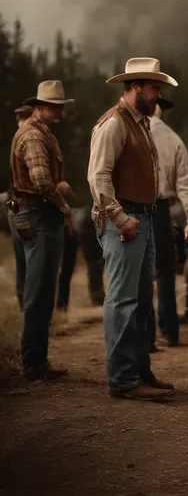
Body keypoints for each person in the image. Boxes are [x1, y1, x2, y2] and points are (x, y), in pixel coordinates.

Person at [88, 57, 177, 402]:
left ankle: (139, 371)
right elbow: (98, 177)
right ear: (136, 85)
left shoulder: (140, 122)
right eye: (155, 87)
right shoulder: (114, 123)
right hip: (125, 220)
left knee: (140, 301)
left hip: (142, 217)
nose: (158, 94)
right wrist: (120, 218)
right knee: (123, 300)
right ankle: (124, 379)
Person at [9, 81, 73, 380]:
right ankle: (33, 362)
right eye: (52, 106)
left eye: (60, 106)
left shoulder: (39, 132)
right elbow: (42, 183)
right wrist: (62, 202)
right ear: (38, 107)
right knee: (39, 290)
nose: (59, 111)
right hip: (38, 216)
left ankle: (36, 360)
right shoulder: (34, 137)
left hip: (34, 215)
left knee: (41, 288)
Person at [148, 97, 188, 348]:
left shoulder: (125, 129)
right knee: (164, 272)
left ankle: (145, 335)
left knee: (140, 273)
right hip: (159, 208)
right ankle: (169, 330)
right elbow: (186, 183)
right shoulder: (171, 138)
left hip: (132, 207)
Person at [6, 105, 33, 310]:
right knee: (28, 259)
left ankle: (25, 304)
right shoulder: (27, 139)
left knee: (23, 259)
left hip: (15, 206)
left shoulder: (18, 138)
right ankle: (27, 305)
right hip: (23, 206)